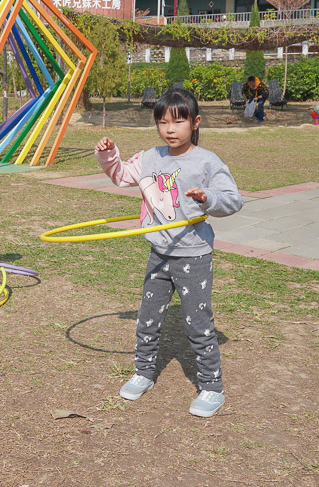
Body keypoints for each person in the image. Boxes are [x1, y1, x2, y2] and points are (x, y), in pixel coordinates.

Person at [95, 89, 244, 417]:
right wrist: (108, 156)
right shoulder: (150, 158)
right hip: (159, 252)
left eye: (178, 121)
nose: (170, 129)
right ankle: (144, 373)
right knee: (147, 317)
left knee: (198, 323)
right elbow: (121, 176)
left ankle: (211, 387)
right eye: (162, 122)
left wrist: (208, 198)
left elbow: (234, 199)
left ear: (195, 122)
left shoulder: (207, 162)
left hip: (193, 255)